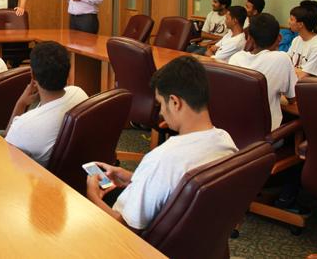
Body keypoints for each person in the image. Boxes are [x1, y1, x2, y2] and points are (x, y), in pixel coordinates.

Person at [85, 56, 237, 231]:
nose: (162, 113)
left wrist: (92, 196)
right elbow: (173, 186)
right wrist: (133, 178)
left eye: (160, 105)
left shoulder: (163, 158)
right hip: (195, 237)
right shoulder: (226, 141)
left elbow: (126, 229)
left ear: (174, 102)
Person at [4, 41, 88, 167]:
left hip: (37, 181)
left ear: (32, 75)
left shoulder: (23, 126)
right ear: (68, 73)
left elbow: (6, 144)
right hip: (75, 172)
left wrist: (21, 104)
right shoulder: (80, 93)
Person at [229, 13, 297, 130]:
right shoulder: (282, 59)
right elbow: (292, 98)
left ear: (249, 38)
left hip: (235, 129)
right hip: (267, 137)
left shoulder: (236, 58)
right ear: (279, 38)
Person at [287, 4, 317, 78]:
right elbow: (286, 62)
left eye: (291, 19)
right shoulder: (297, 39)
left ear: (300, 24)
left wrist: (289, 69)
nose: (288, 22)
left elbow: (304, 75)